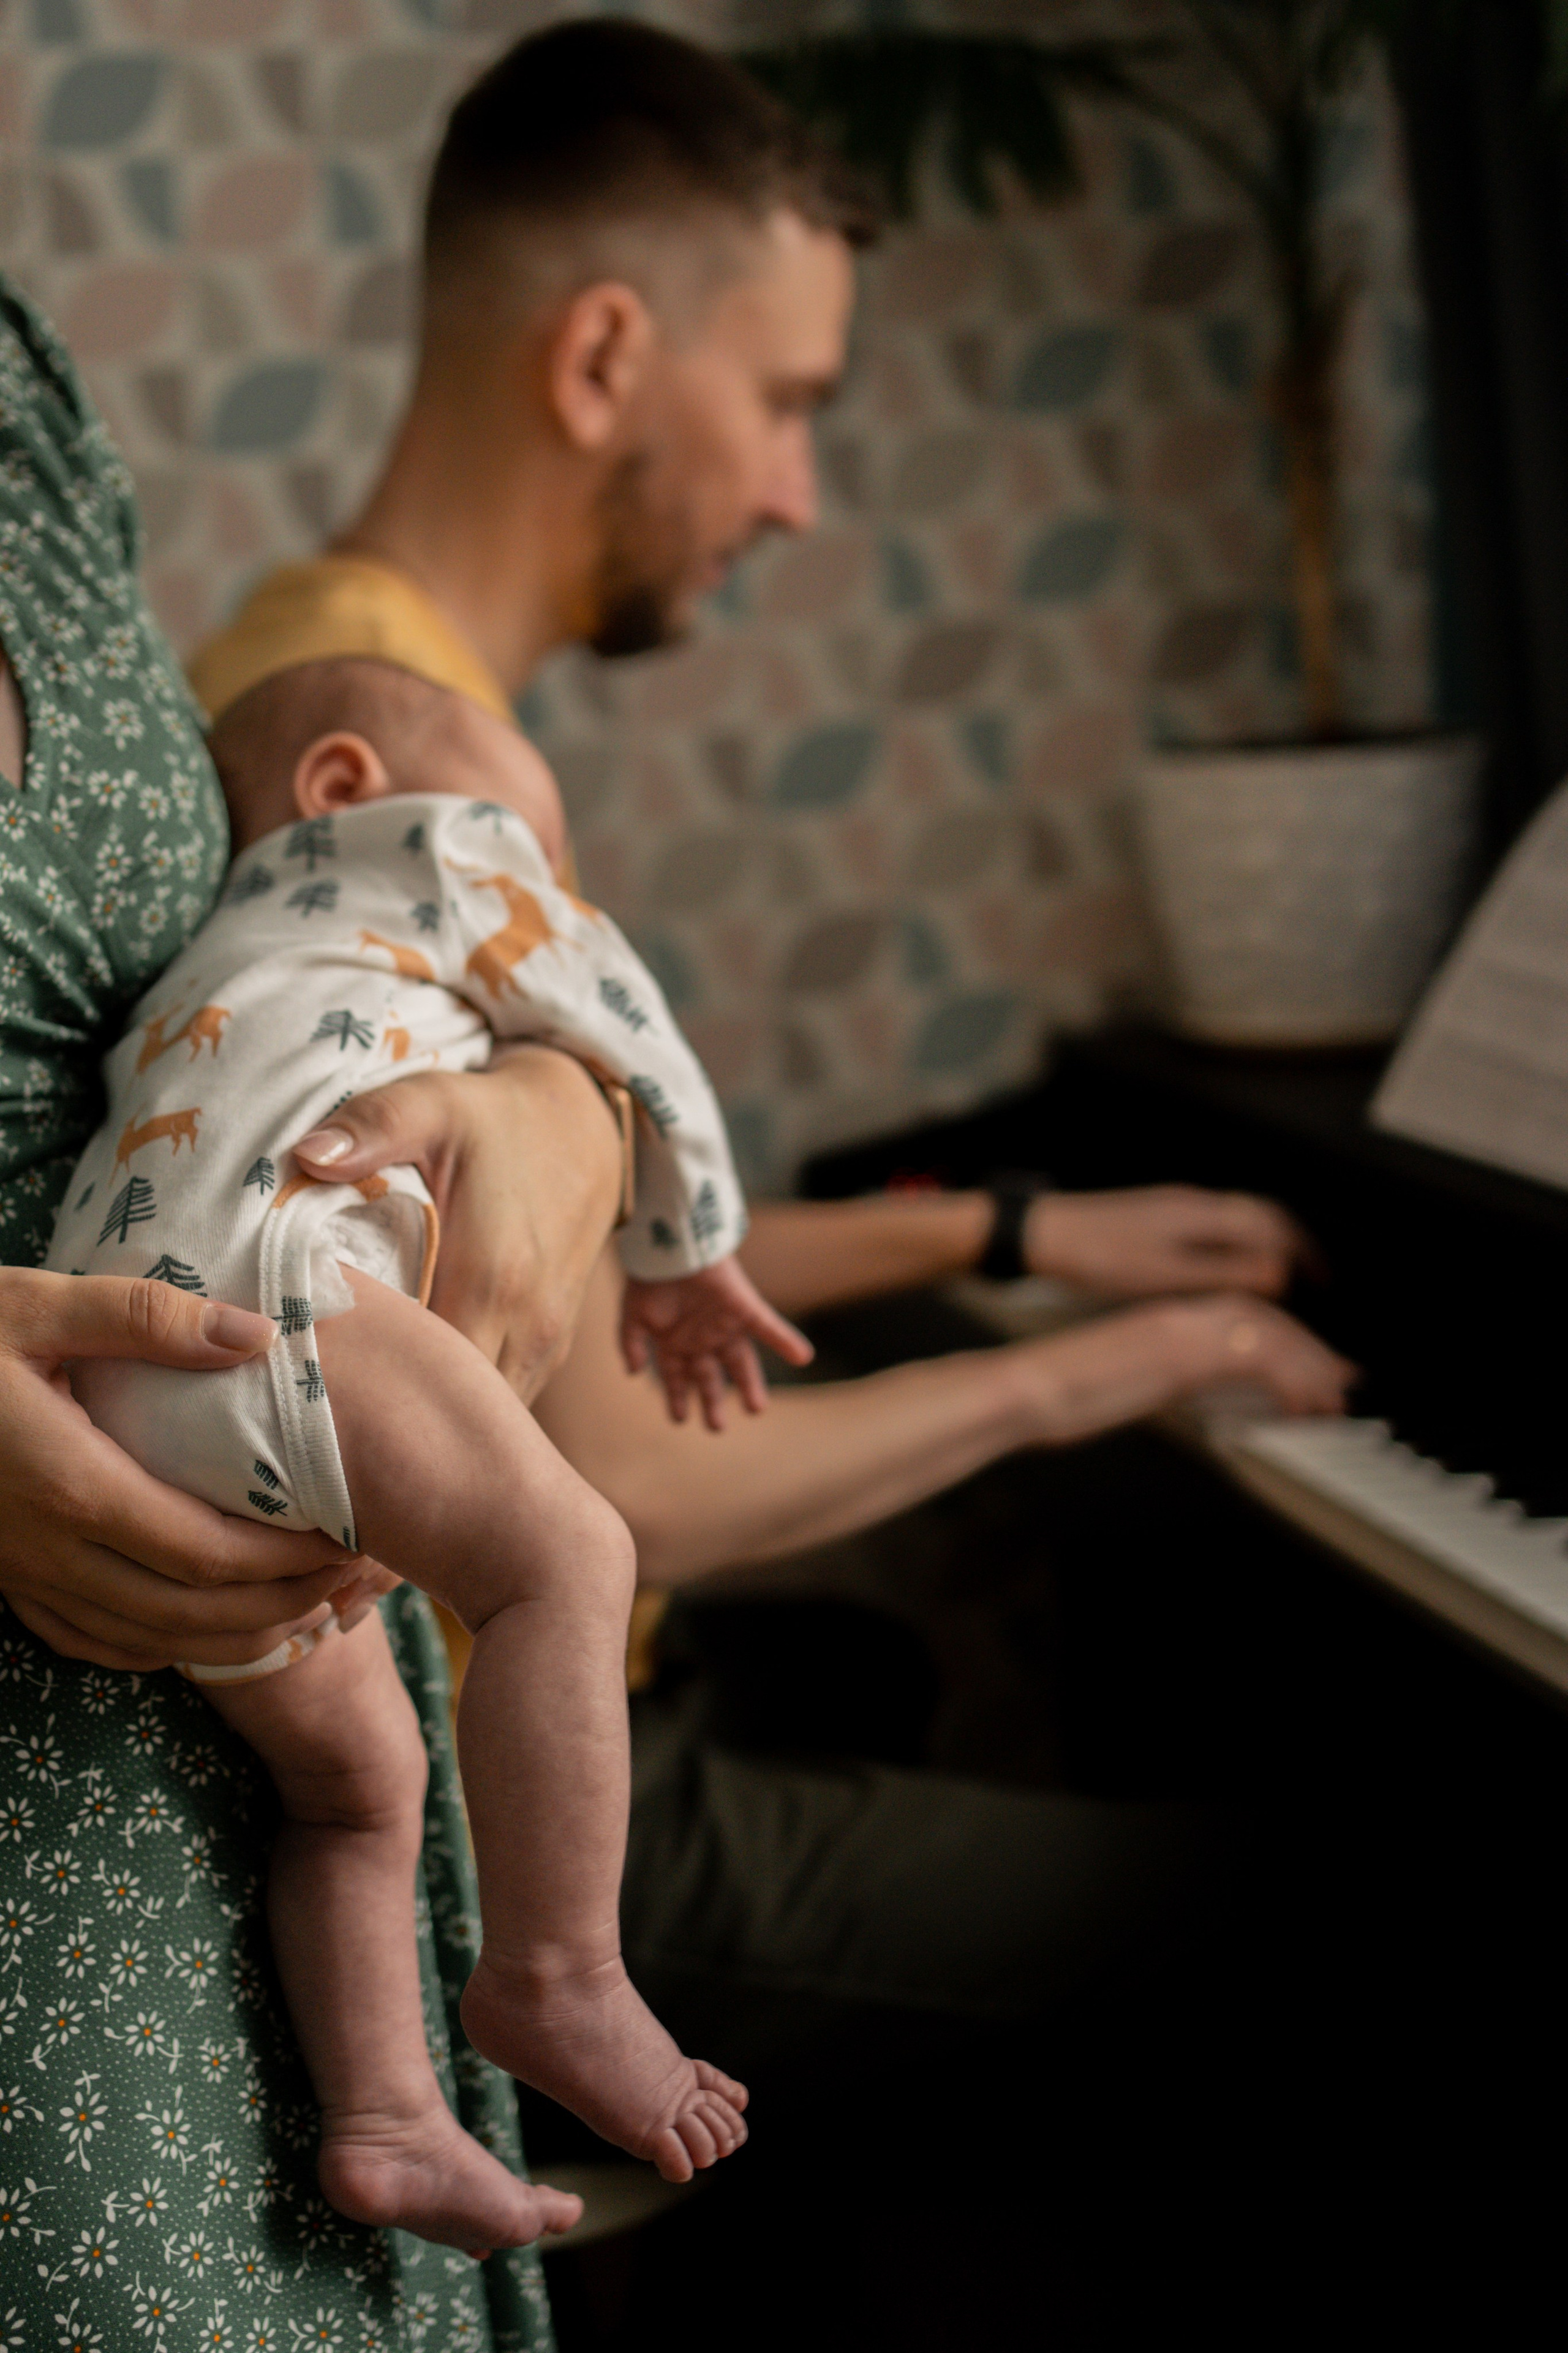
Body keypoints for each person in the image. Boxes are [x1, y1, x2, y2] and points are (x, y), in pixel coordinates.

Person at [0, 31, 1349, 2347]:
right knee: (1276, 1904)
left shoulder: (309, 690)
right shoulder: (431, 776)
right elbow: (614, 1462)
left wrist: (1001, 1235)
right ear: (610, 355)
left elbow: (527, 1258)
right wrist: (1099, 1374)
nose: (805, 492)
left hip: (296, 1476)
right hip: (512, 1688)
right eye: (795, 397)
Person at [51, 655, 816, 2245]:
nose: (546, 881)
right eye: (533, 836)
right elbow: (620, 1020)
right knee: (571, 1559)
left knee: (359, 1782)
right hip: (277, 1301)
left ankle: (387, 2114)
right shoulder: (427, 853)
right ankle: (559, 1969)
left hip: (106, 1377)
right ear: (345, 787)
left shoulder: (212, 949)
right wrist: (686, 1244)